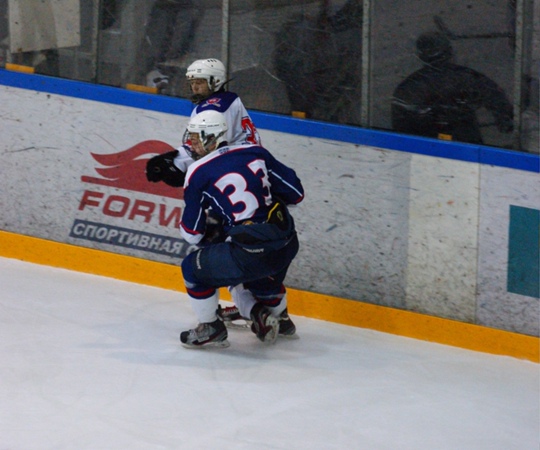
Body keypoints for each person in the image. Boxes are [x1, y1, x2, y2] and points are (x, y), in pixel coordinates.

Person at [145, 58, 264, 327]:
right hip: (248, 177)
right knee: (243, 249)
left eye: (200, 82)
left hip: (229, 181)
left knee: (221, 249)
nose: (195, 87)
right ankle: (268, 311)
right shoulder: (228, 100)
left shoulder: (213, 108)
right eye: (192, 82)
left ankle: (247, 312)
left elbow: (204, 148)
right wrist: (174, 160)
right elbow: (204, 147)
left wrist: (173, 163)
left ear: (215, 81)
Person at [177, 110, 304, 348]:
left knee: (192, 269)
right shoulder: (255, 152)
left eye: (195, 138)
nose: (190, 144)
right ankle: (280, 318)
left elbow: (192, 234)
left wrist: (212, 232)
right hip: (286, 243)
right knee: (261, 279)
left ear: (212, 138)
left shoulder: (198, 171)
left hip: (250, 255)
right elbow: (296, 194)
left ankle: (211, 327)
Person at [391, 31, 514, 144]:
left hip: (424, 148)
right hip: (466, 145)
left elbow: (401, 130)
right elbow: (497, 99)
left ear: (420, 56)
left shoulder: (408, 87)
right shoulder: (468, 78)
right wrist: (505, 121)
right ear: (450, 51)